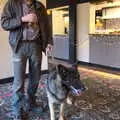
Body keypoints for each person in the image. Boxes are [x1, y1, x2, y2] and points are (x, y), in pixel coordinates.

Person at [1, 0, 53, 119]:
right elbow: (4, 23)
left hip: (36, 45)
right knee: (19, 81)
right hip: (19, 46)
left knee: (35, 78)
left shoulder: (39, 6)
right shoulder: (12, 3)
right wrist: (22, 19)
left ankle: (31, 103)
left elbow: (47, 26)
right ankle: (17, 109)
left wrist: (49, 42)